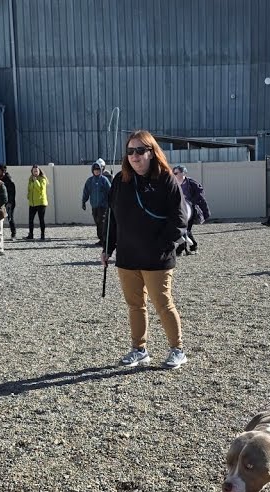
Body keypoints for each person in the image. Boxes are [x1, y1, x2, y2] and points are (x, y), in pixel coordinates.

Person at [103, 129, 188, 370]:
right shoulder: (120, 181)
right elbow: (112, 218)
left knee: (162, 303)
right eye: (130, 151)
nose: (135, 156)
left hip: (157, 258)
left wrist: (164, 245)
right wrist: (107, 248)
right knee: (135, 305)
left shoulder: (166, 180)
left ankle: (177, 349)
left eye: (140, 150)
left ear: (152, 152)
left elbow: (179, 219)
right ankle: (139, 349)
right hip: (127, 257)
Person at [172, 165, 209, 254]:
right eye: (173, 173)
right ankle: (192, 246)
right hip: (179, 209)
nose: (174, 175)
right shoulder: (173, 184)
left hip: (190, 210)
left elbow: (200, 196)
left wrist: (205, 211)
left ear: (183, 173)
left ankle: (181, 249)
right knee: (184, 229)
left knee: (186, 229)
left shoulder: (191, 183)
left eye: (176, 173)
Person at [82, 161, 113, 248]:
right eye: (95, 170)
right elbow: (86, 192)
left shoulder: (104, 180)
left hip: (103, 206)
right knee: (97, 222)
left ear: (101, 170)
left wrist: (111, 202)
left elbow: (110, 191)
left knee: (102, 222)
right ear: (92, 170)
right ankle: (101, 239)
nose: (97, 171)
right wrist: (83, 201)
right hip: (94, 205)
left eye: (98, 170)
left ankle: (104, 240)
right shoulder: (90, 181)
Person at [25, 165, 49, 240]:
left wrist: (36, 181)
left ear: (39, 171)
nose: (35, 172)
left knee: (41, 219)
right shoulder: (30, 179)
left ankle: (42, 235)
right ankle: (31, 234)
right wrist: (28, 195)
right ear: (32, 171)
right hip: (32, 203)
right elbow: (29, 188)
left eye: (37, 171)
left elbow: (40, 189)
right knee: (30, 219)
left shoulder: (43, 179)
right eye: (34, 171)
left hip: (41, 202)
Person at [0, 164, 18, 239]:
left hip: (9, 202)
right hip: (1, 202)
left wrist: (10, 202)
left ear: (3, 171)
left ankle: (14, 234)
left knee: (10, 218)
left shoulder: (9, 180)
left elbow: (12, 192)